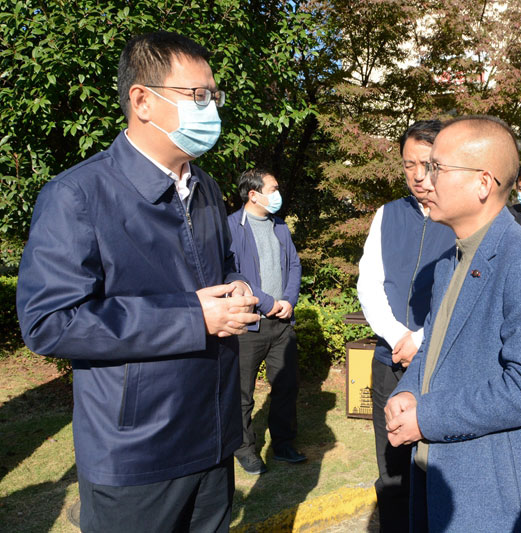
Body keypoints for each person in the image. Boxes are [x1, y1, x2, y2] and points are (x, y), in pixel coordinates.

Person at [15, 31, 260, 533]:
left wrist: (235, 285)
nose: (211, 108)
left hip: (213, 437)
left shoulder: (204, 186)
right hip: (138, 452)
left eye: (213, 95)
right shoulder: (77, 194)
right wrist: (193, 317)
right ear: (142, 100)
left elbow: (222, 263)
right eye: (197, 95)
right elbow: (50, 322)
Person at [385, 116, 521, 532]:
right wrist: (408, 389)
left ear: (483, 183)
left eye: (437, 167)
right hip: (436, 478)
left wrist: (426, 416)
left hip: (493, 496)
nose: (423, 179)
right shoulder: (448, 263)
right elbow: (435, 347)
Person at [356, 120, 454, 532]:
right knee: (393, 468)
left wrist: (422, 339)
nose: (417, 174)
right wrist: (400, 337)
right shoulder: (389, 214)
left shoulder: (462, 216)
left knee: (440, 468)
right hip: (390, 358)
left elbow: (463, 293)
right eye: (408, 164)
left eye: (427, 164)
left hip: (442, 364)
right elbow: (369, 283)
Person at [227, 169, 304, 475]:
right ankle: (244, 448)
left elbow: (294, 264)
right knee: (242, 393)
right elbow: (232, 274)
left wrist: (288, 301)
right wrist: (268, 303)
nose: (277, 194)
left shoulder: (280, 226)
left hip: (282, 324)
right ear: (253, 194)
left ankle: (283, 444)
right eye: (272, 189)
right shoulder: (231, 227)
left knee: (286, 386)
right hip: (248, 323)